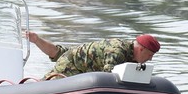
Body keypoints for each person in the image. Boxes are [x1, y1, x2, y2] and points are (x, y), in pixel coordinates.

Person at [26, 31, 160, 78]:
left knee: (58, 53)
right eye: (149, 55)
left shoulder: (132, 59)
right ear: (141, 49)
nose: (150, 59)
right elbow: (109, 77)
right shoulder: (118, 51)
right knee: (49, 84)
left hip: (82, 65)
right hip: (72, 66)